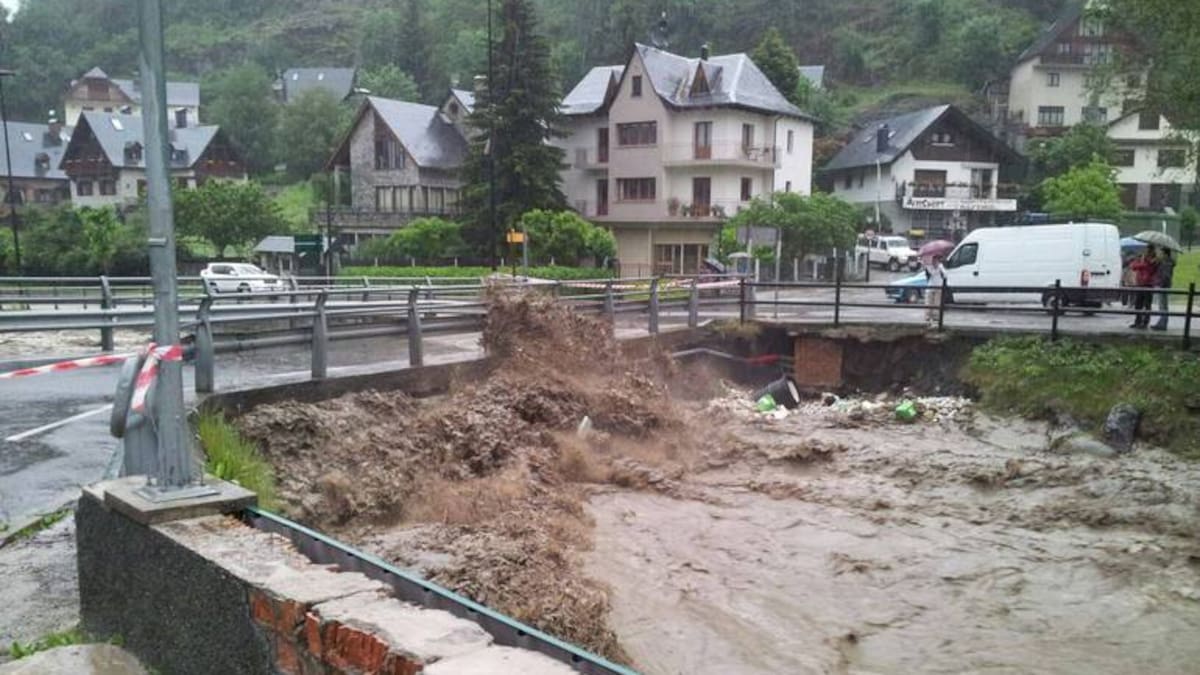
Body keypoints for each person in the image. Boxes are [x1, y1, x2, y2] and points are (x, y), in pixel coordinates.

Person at [1128, 246, 1158, 329]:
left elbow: (1146, 267)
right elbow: (1133, 266)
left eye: (1149, 250)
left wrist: (1143, 261)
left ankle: (1145, 322)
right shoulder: (1143, 259)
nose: (1147, 252)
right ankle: (1138, 321)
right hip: (1140, 283)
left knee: (1147, 304)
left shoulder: (1154, 261)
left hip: (1148, 284)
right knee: (1138, 304)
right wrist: (1141, 260)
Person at [1151, 248, 1176, 331]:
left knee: (1163, 305)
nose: (1159, 255)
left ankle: (1163, 323)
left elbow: (1165, 276)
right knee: (1163, 305)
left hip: (1163, 286)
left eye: (1161, 253)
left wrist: (1161, 284)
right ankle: (1162, 323)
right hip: (1163, 285)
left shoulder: (1166, 263)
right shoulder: (1165, 262)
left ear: (1165, 254)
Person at [925, 254, 947, 327]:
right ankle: (928, 320)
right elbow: (931, 273)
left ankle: (936, 321)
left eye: (936, 260)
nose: (935, 261)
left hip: (938, 286)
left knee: (937, 304)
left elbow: (945, 275)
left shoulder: (941, 266)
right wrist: (935, 268)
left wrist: (940, 269)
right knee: (929, 304)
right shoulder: (929, 266)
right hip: (930, 287)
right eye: (934, 260)